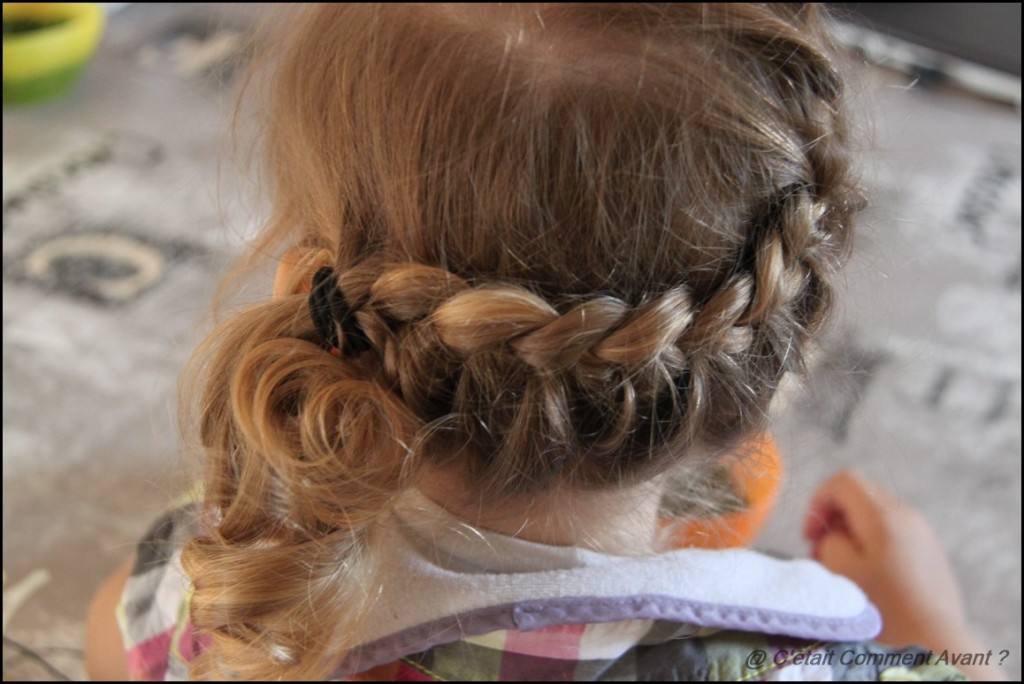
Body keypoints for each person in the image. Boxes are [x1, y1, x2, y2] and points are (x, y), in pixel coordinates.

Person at [86, 4, 1003, 680]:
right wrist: (949, 634)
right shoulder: (804, 666)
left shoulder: (236, 588)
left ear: (309, 295)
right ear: (780, 353)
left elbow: (111, 643)